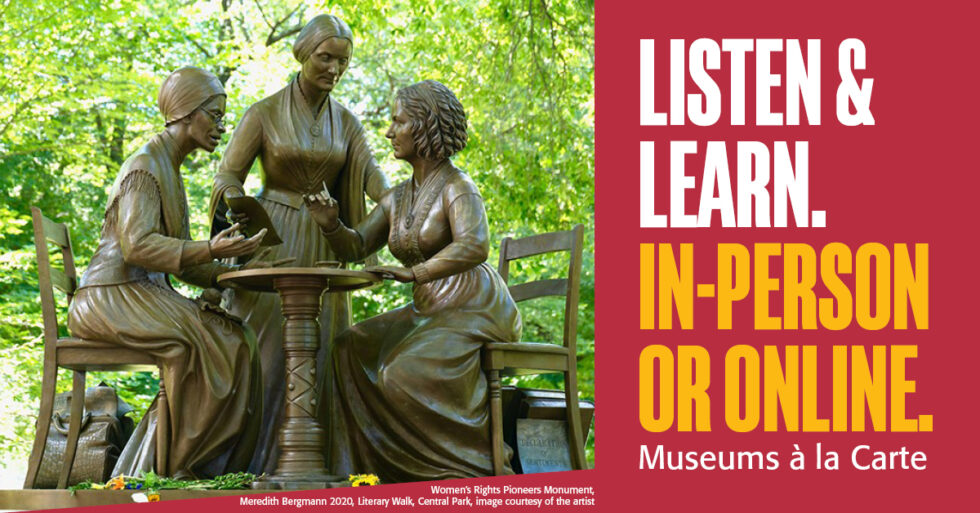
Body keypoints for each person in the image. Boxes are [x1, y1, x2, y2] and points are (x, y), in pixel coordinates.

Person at [306, 80, 522, 482]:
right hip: (428, 308)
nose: (390, 131)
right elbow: (356, 245)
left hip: (472, 306)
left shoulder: (458, 187)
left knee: (400, 372)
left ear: (424, 128)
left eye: (398, 121)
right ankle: (369, 471)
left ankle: (464, 467)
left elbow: (475, 245)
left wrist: (416, 272)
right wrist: (331, 224)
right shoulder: (397, 196)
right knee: (347, 348)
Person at [208, 14, 389, 474]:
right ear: (304, 54)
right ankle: (251, 466)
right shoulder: (263, 113)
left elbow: (372, 177)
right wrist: (235, 202)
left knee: (322, 352)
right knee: (266, 355)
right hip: (272, 239)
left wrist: (401, 201)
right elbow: (228, 174)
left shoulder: (346, 122)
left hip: (326, 241)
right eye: (325, 58)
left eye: (342, 61)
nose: (334, 69)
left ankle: (310, 465)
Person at [68, 67, 268, 479]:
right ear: (185, 112)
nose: (221, 126)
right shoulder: (146, 166)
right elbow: (137, 246)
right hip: (110, 295)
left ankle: (205, 466)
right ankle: (174, 467)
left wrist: (230, 271)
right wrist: (212, 248)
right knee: (197, 342)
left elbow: (183, 259)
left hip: (142, 292)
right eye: (214, 115)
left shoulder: (170, 168)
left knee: (239, 337)